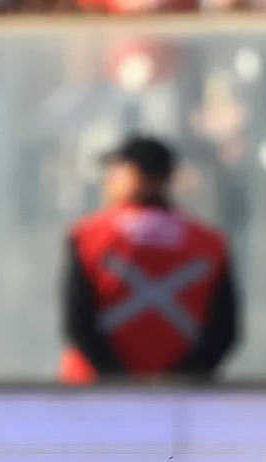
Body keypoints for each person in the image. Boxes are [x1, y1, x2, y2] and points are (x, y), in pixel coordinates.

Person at [59, 135, 239, 384]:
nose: (108, 181)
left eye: (116, 170)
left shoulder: (89, 237)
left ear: (139, 175)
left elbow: (78, 323)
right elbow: (224, 331)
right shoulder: (209, 244)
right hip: (180, 400)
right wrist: (176, 382)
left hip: (94, 394)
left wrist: (121, 381)